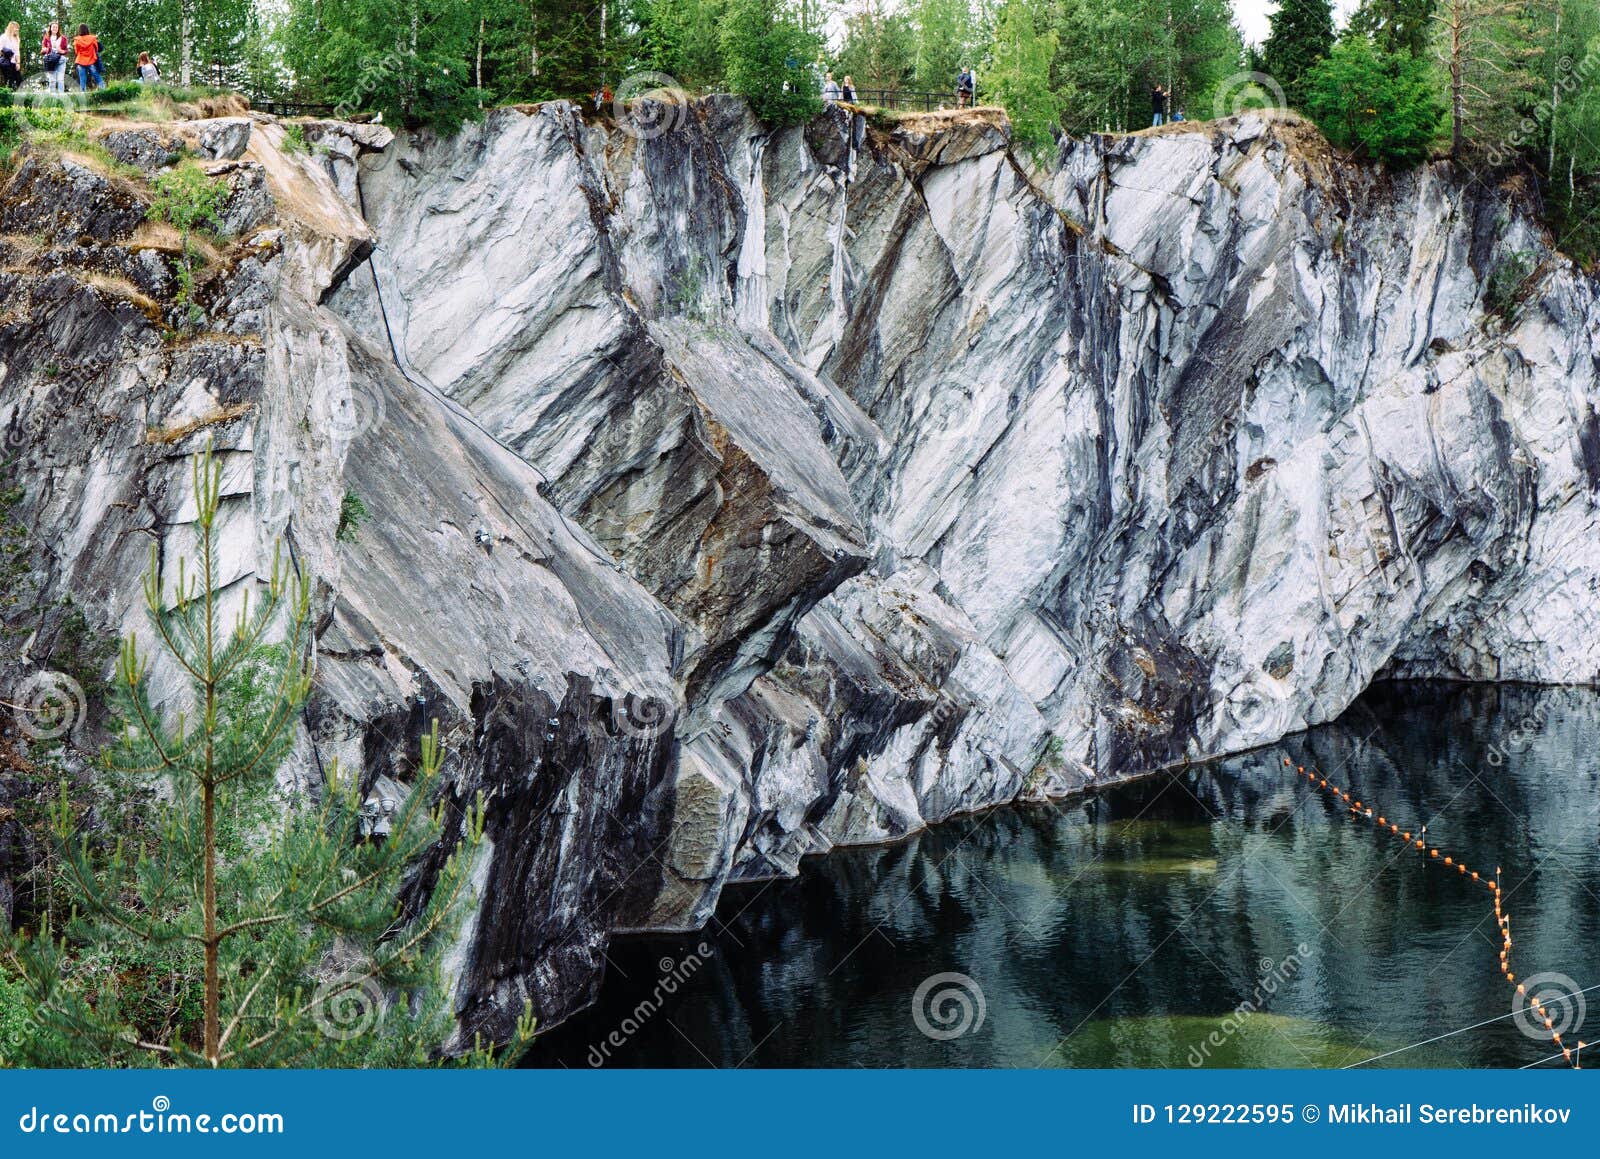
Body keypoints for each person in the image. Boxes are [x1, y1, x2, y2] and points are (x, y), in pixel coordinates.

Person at [72, 23, 104, 92]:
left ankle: (83, 95)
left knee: (82, 80)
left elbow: (76, 51)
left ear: (79, 30)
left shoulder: (77, 40)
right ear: (87, 29)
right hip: (91, 61)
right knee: (97, 77)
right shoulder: (93, 38)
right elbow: (96, 48)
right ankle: (104, 91)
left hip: (80, 61)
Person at [40, 22, 68, 92]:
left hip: (60, 60)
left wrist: (61, 51)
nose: (55, 28)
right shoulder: (46, 38)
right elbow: (42, 50)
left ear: (58, 29)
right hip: (51, 60)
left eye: (56, 27)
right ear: (50, 28)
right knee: (52, 80)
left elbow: (66, 50)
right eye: (53, 27)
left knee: (60, 79)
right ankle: (52, 98)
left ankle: (61, 97)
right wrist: (45, 50)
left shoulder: (63, 38)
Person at [0, 22, 20, 89]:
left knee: (19, 80)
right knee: (9, 81)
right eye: (16, 28)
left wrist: (18, 63)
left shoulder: (16, 39)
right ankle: (9, 96)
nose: (17, 30)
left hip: (14, 62)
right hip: (5, 62)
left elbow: (17, 52)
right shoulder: (3, 37)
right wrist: (7, 53)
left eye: (18, 28)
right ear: (11, 28)